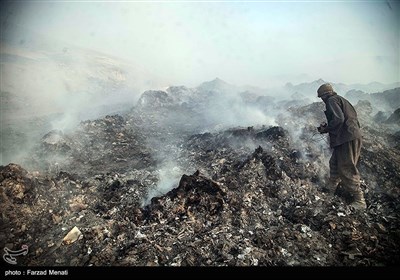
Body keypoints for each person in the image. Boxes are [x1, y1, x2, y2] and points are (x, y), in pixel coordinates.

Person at [316, 83, 366, 210]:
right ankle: (331, 189)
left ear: (325, 95)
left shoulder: (332, 100)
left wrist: (326, 128)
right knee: (334, 162)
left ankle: (360, 200)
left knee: (346, 167)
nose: (322, 100)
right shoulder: (341, 100)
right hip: (347, 137)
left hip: (347, 138)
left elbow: (339, 119)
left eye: (322, 97)